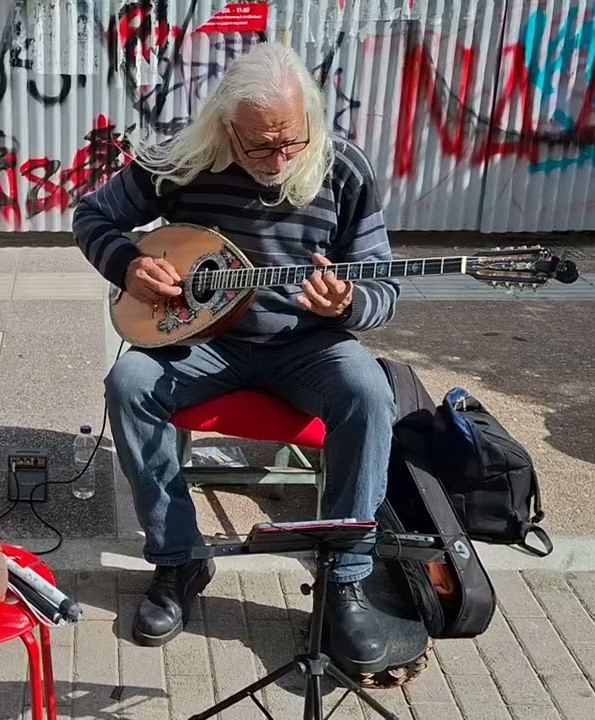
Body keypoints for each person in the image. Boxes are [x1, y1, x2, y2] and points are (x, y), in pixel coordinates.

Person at [73, 42, 400, 671]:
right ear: (226, 126)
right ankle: (179, 561)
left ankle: (344, 580)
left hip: (307, 345)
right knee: (129, 382)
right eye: (260, 147)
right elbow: (92, 215)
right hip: (201, 341)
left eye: (291, 143)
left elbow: (384, 286)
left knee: (368, 392)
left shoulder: (345, 169)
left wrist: (348, 304)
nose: (279, 159)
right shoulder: (184, 159)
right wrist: (128, 264)